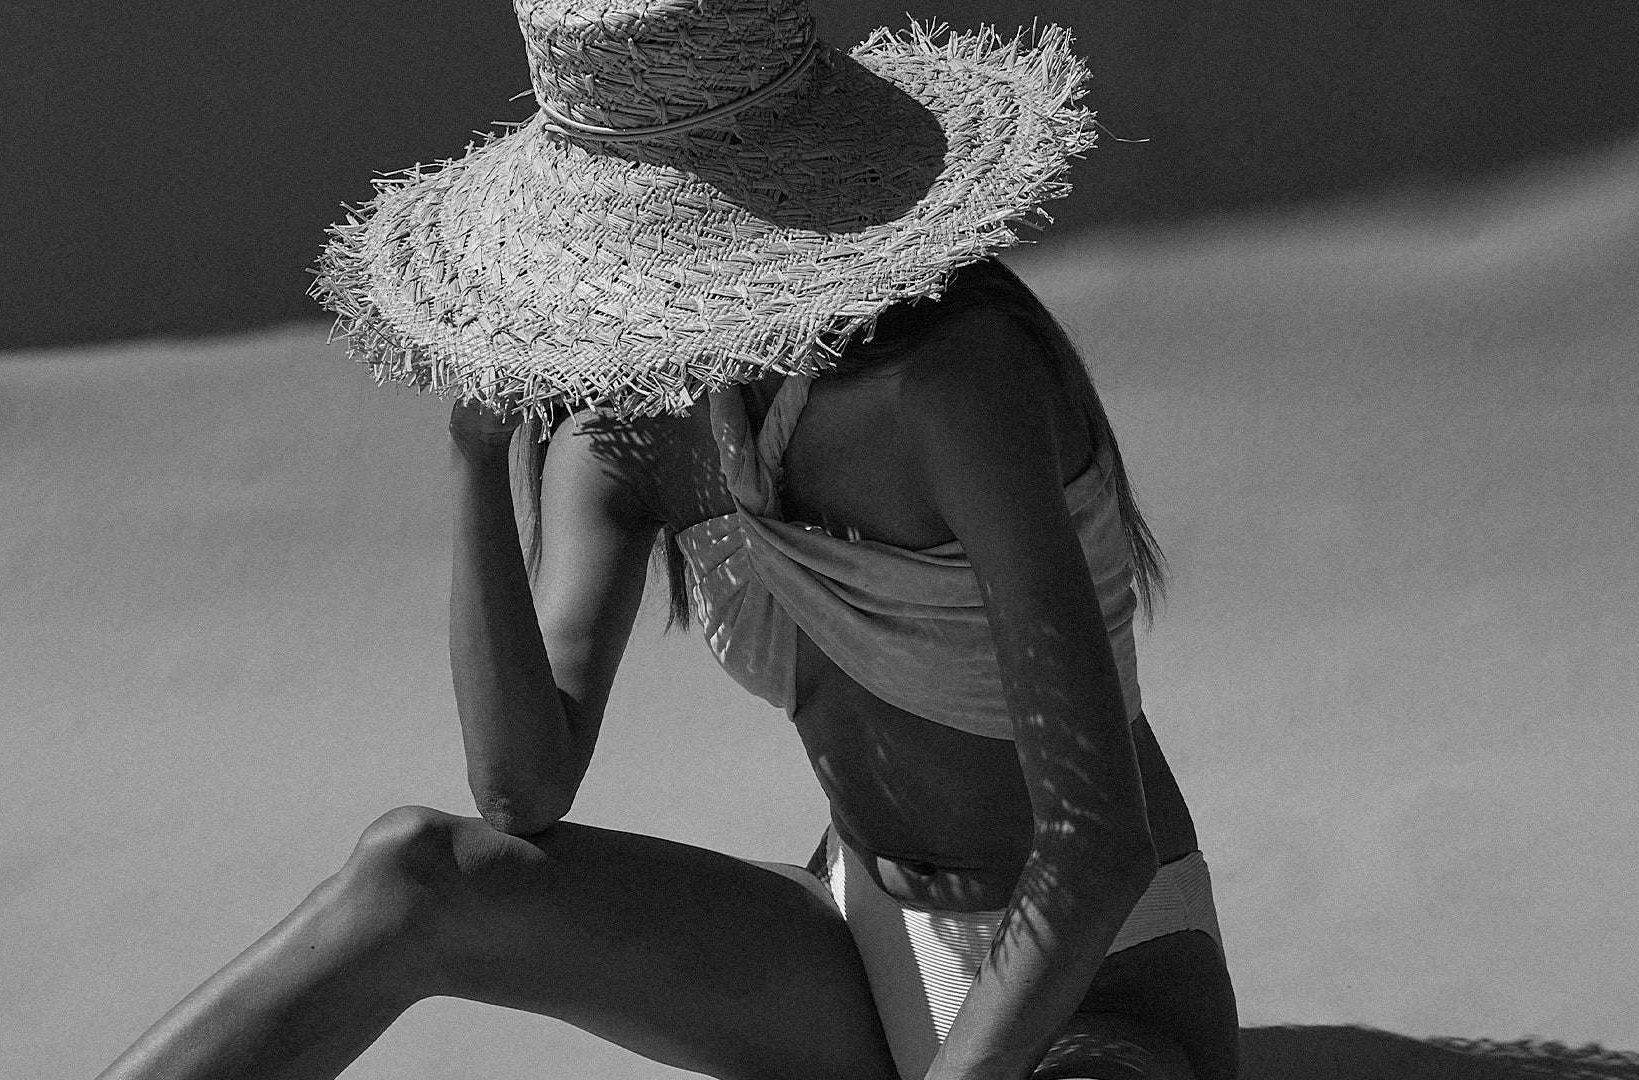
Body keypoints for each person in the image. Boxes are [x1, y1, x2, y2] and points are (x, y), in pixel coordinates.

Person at [99, 2, 1239, 1078]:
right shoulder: (626, 436)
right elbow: (520, 793)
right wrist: (475, 455)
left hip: (1093, 965)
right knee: (414, 873)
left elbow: (1100, 845)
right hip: (861, 926)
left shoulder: (955, 381)